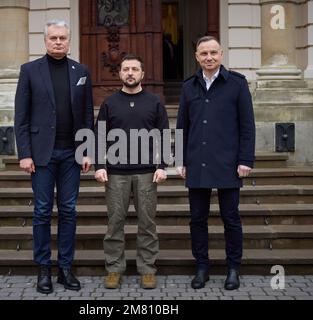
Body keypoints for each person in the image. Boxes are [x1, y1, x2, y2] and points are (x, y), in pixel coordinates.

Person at [14, 20, 94, 294]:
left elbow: (86, 115)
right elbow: (21, 117)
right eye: (53, 38)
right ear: (45, 40)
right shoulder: (29, 71)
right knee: (42, 211)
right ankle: (43, 270)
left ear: (69, 41)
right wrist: (25, 153)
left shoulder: (81, 71)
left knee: (69, 211)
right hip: (42, 155)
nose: (58, 42)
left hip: (72, 154)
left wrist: (87, 150)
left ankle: (66, 269)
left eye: (62, 38)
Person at [176, 36, 255, 290]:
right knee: (197, 219)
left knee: (230, 218)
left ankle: (233, 268)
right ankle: (202, 267)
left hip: (228, 162)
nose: (208, 58)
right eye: (203, 54)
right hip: (197, 162)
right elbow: (182, 126)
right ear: (196, 57)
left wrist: (245, 159)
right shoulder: (189, 86)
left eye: (213, 53)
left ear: (221, 54)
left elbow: (247, 126)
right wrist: (180, 160)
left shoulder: (237, 84)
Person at [94, 54, 169, 290]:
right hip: (116, 173)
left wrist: (163, 166)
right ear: (120, 74)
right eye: (126, 69)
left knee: (147, 222)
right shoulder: (110, 103)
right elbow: (99, 137)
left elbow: (164, 135)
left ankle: (147, 269)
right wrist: (99, 165)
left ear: (142, 74)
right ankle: (114, 268)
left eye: (134, 69)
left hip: (147, 172)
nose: (130, 73)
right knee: (115, 222)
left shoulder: (154, 102)